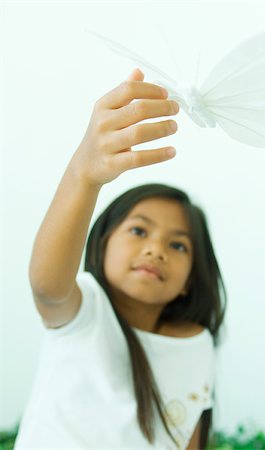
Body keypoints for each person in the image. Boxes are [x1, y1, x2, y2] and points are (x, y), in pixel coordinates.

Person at [13, 68, 226, 450]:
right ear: (102, 243)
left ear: (193, 277)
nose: (155, 250)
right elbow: (47, 287)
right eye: (139, 231)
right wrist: (84, 175)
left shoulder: (197, 345)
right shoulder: (84, 312)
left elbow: (188, 436)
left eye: (178, 246)